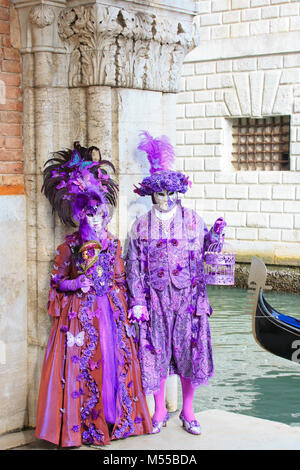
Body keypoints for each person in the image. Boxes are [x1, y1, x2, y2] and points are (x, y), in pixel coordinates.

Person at [35, 142, 152, 447]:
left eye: (101, 215)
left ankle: (115, 421)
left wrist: (130, 304)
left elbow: (121, 277)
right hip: (80, 315)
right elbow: (57, 281)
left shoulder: (112, 244)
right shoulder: (69, 246)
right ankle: (85, 425)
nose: (98, 221)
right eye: (91, 216)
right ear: (81, 215)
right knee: (83, 366)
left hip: (110, 313)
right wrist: (78, 284)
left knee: (114, 364)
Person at [125, 131, 226, 435]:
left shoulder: (193, 219)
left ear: (178, 193)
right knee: (155, 353)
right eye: (160, 194)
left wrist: (217, 237)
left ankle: (189, 411)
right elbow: (133, 266)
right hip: (155, 299)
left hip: (189, 297)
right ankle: (159, 413)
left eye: (171, 194)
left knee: (189, 352)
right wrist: (138, 301)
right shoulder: (140, 225)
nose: (166, 200)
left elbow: (209, 252)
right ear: (151, 194)